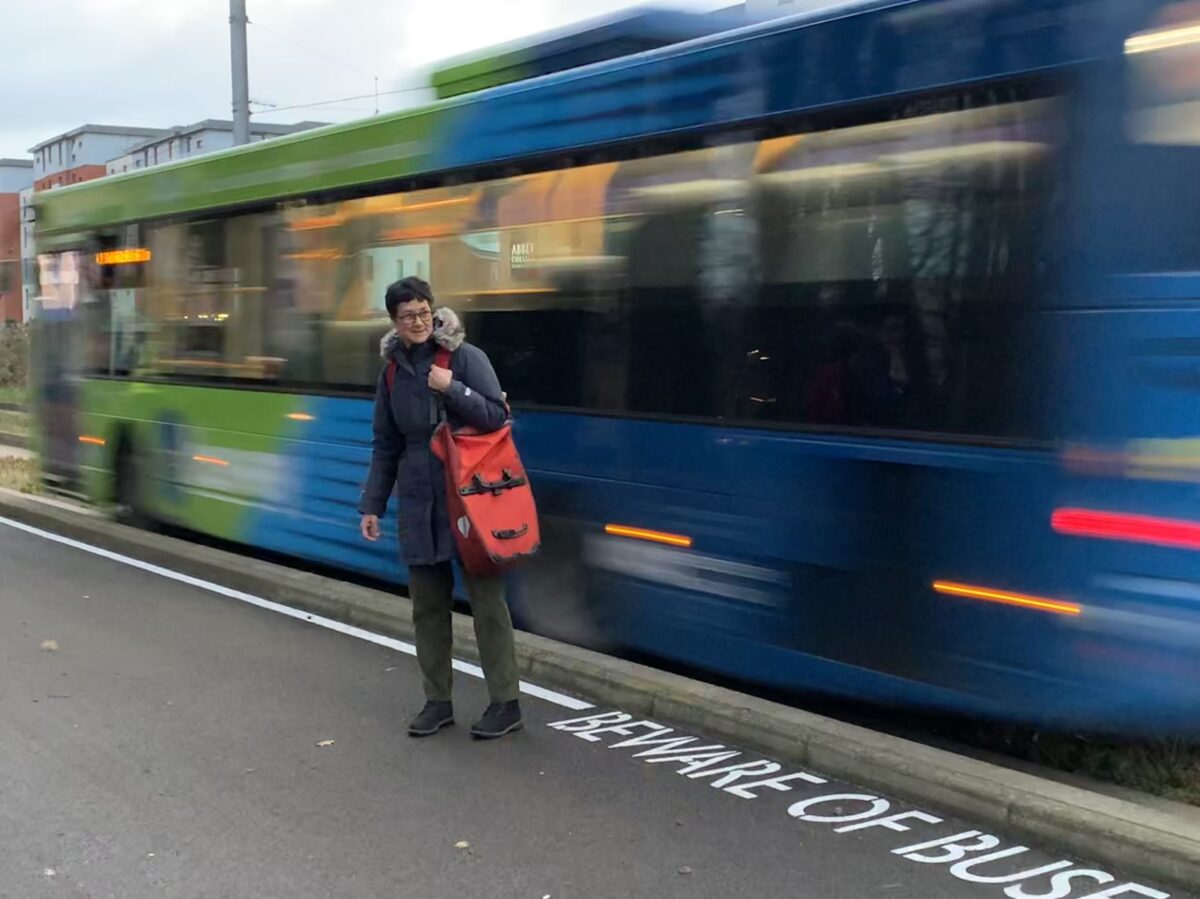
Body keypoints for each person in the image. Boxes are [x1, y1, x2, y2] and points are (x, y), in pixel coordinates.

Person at [358, 277, 523, 739]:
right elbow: (385, 443)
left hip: (468, 495)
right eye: (408, 315)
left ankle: (506, 703)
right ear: (394, 321)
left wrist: (453, 388)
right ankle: (438, 701)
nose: (419, 322)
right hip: (416, 499)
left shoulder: (466, 357)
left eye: (425, 312)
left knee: (488, 604)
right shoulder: (391, 371)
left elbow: (497, 416)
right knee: (427, 608)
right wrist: (372, 504)